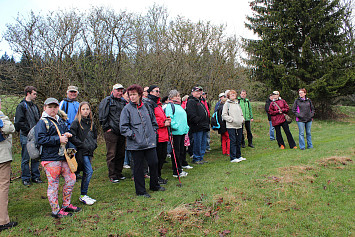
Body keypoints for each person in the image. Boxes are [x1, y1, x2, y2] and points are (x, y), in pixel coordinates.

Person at [35, 98, 81, 218]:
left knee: (71, 179)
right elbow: (40, 139)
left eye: (55, 107)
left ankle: (66, 205)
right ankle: (56, 211)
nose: (53, 109)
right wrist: (58, 139)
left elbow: (64, 131)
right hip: (50, 158)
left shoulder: (59, 119)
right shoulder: (42, 122)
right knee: (53, 184)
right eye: (50, 107)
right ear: (45, 108)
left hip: (64, 156)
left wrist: (66, 134)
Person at [120, 84, 165, 198]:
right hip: (136, 145)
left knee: (154, 163)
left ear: (140, 95)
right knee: (138, 168)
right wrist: (133, 135)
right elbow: (123, 127)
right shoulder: (126, 109)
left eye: (134, 95)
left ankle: (154, 185)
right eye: (130, 95)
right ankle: (141, 191)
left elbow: (153, 121)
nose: (132, 97)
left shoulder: (146, 106)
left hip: (150, 142)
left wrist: (153, 132)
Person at [69, 102, 98, 205]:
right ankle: (83, 194)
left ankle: (83, 194)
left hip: (90, 151)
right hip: (82, 152)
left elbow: (95, 135)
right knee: (89, 171)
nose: (86, 111)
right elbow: (72, 136)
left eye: (87, 109)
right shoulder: (76, 122)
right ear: (80, 111)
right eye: (83, 109)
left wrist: (94, 144)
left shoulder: (91, 123)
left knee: (87, 173)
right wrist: (81, 145)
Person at [14, 86, 42, 186]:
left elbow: (39, 120)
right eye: (34, 94)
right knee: (25, 158)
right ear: (28, 93)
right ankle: (25, 178)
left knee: (35, 156)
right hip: (26, 136)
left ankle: (36, 176)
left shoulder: (35, 106)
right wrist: (28, 130)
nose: (35, 96)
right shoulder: (21, 106)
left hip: (36, 136)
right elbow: (18, 122)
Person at [99, 84, 127, 183]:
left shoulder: (123, 102)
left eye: (121, 91)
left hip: (122, 131)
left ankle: (119, 172)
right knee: (112, 154)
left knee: (121, 153)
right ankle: (112, 175)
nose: (120, 93)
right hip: (111, 131)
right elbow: (102, 116)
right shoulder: (107, 101)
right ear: (113, 91)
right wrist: (107, 128)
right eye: (118, 91)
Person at [143, 85, 171, 184]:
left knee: (162, 156)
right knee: (157, 158)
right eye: (156, 91)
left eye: (159, 91)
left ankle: (158, 176)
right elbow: (151, 119)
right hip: (156, 135)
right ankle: (155, 177)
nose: (158, 93)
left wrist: (166, 119)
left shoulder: (157, 104)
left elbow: (160, 116)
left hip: (163, 134)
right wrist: (163, 123)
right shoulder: (148, 103)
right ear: (150, 92)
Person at [0, 98, 18, 231]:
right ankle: (3, 221)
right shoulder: (1, 115)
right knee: (2, 187)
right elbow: (10, 127)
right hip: (2, 157)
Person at [165, 90, 191, 178]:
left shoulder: (179, 106)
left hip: (182, 132)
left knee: (181, 151)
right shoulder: (170, 106)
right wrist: (175, 126)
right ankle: (176, 171)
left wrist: (186, 127)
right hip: (175, 132)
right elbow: (169, 117)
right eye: (176, 96)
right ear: (171, 97)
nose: (178, 98)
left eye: (179, 96)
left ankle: (180, 168)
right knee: (176, 152)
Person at [186, 86, 210, 164]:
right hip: (197, 126)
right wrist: (198, 121)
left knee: (203, 143)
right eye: (197, 91)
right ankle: (196, 158)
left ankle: (201, 157)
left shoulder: (199, 101)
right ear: (193, 92)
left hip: (203, 126)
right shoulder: (191, 101)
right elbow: (191, 115)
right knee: (197, 143)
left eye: (200, 91)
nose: (199, 93)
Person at [222, 90, 246, 163]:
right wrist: (231, 120)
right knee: (233, 141)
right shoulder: (227, 104)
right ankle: (233, 157)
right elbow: (224, 115)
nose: (233, 95)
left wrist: (242, 119)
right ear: (228, 96)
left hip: (239, 125)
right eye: (231, 94)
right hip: (231, 126)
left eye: (234, 94)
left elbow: (241, 113)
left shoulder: (237, 103)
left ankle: (239, 156)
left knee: (239, 141)